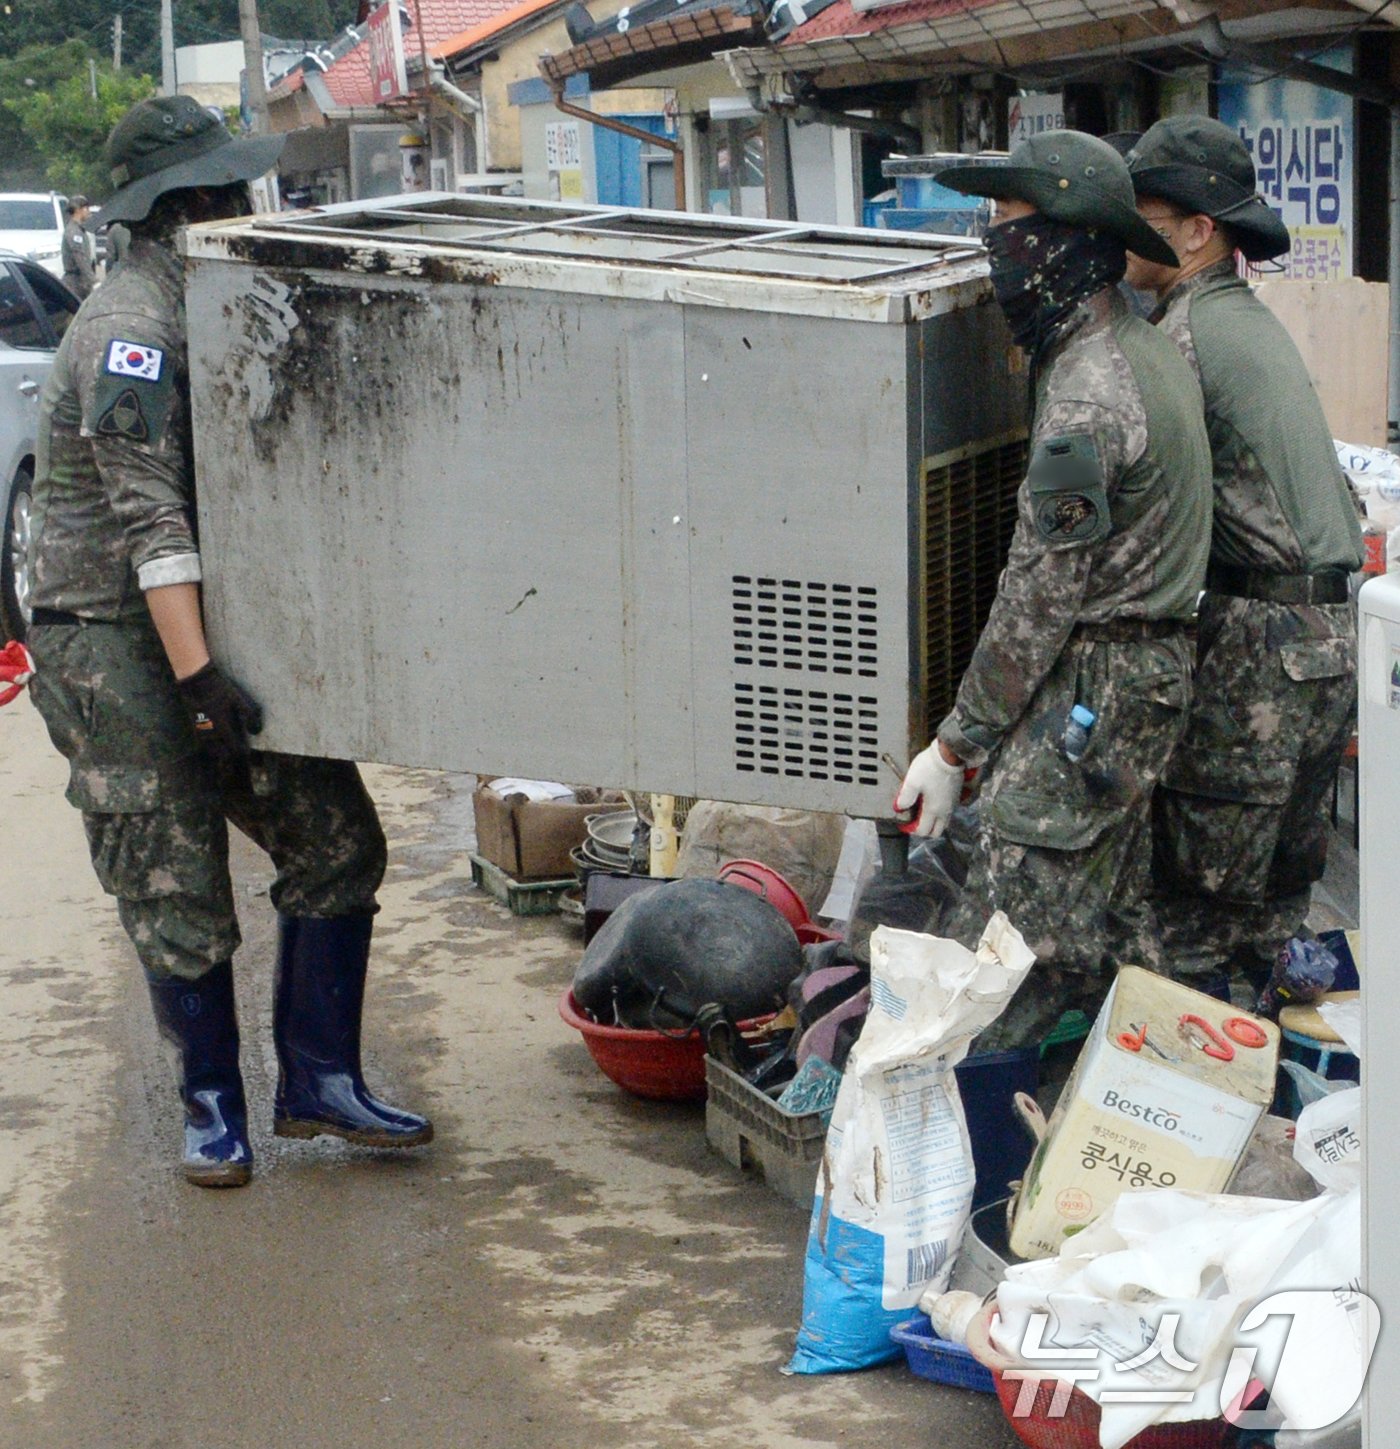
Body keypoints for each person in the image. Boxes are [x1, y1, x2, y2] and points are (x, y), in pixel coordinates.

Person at [24, 95, 432, 1189]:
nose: (252, 203)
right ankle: (213, 1107)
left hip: (209, 618)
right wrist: (201, 676)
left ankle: (319, 1081)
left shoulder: (213, 303)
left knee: (336, 840)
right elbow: (150, 521)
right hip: (111, 639)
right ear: (187, 206)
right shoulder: (131, 332)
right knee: (176, 878)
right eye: (234, 189)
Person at [895, 131, 1213, 1050]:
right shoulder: (1136, 347)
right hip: (1139, 685)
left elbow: (1041, 594)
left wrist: (955, 747)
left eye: (1011, 226)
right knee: (1110, 932)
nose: (996, 249)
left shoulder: (1085, 397)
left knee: (993, 958)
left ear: (1069, 241)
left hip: (1098, 690)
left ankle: (956, 1120)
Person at [1124, 116, 1364, 999]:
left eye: (1143, 218)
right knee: (1271, 915)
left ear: (1197, 232)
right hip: (1323, 640)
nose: (1124, 235)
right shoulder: (1246, 320)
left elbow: (1144, 511)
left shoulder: (1184, 336)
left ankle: (1202, 1075)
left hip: (1261, 646)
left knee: (1194, 918)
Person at [61, 194, 97, 299]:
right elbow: (80, 258)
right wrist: (94, 281)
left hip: (81, 280)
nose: (88, 212)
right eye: (86, 208)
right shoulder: (73, 232)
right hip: (75, 282)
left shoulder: (79, 230)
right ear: (78, 210)